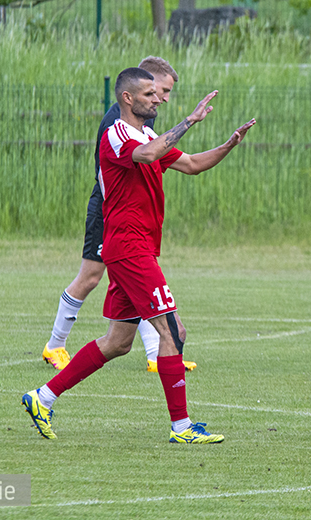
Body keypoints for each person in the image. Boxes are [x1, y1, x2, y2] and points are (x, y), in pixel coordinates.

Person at [23, 67, 256, 443]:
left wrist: (229, 144)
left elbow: (192, 164)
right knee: (173, 332)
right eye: (150, 93)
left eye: (158, 93)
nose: (159, 98)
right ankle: (181, 427)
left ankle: (42, 397)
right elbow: (147, 156)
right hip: (128, 247)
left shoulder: (147, 134)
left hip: (138, 246)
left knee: (117, 342)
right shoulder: (117, 135)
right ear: (128, 98)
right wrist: (189, 121)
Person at [42, 56, 196, 374]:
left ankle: (156, 353)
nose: (164, 98)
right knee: (90, 277)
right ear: (141, 86)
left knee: (137, 280)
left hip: (130, 215)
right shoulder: (117, 123)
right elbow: (120, 167)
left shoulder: (144, 121)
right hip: (111, 210)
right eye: (161, 90)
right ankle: (55, 345)